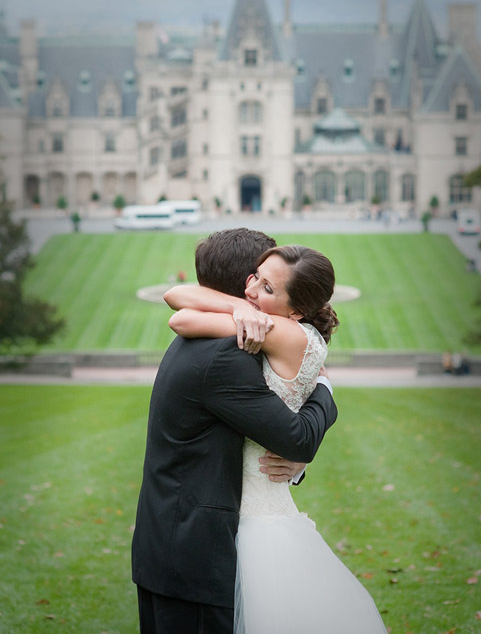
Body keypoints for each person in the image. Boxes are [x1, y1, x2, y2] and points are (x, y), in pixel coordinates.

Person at [167, 244, 387, 634]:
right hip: (255, 493)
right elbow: (176, 296)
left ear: (296, 310)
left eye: (268, 288)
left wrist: (241, 311)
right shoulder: (292, 328)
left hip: (254, 510)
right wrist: (242, 307)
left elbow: (182, 317)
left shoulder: (279, 330)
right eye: (255, 277)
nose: (251, 290)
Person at [131, 229, 337, 634]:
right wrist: (326, 389)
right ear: (246, 286)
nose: (256, 289)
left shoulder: (199, 338)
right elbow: (297, 438)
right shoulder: (229, 353)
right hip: (195, 560)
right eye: (257, 279)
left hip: (171, 544)